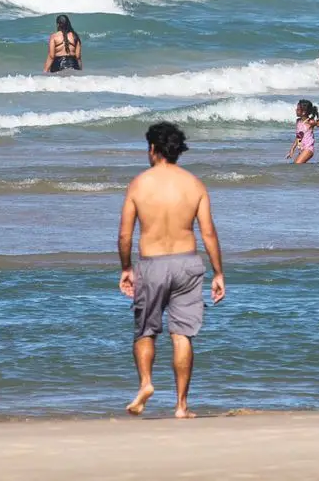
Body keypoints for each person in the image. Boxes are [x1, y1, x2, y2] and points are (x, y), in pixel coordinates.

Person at [118, 121, 227, 417]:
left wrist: (126, 267)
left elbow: (125, 235)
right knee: (182, 335)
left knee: (145, 331)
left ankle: (146, 383)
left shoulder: (139, 184)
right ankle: (181, 405)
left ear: (153, 148)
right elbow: (208, 233)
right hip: (187, 264)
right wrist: (218, 273)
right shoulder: (194, 184)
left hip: (152, 264)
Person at [287, 99, 319, 164]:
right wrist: (292, 149)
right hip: (302, 149)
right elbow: (299, 136)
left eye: (298, 109)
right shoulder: (298, 121)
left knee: (297, 165)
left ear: (304, 112)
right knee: (295, 165)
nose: (295, 110)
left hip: (308, 149)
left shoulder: (310, 122)